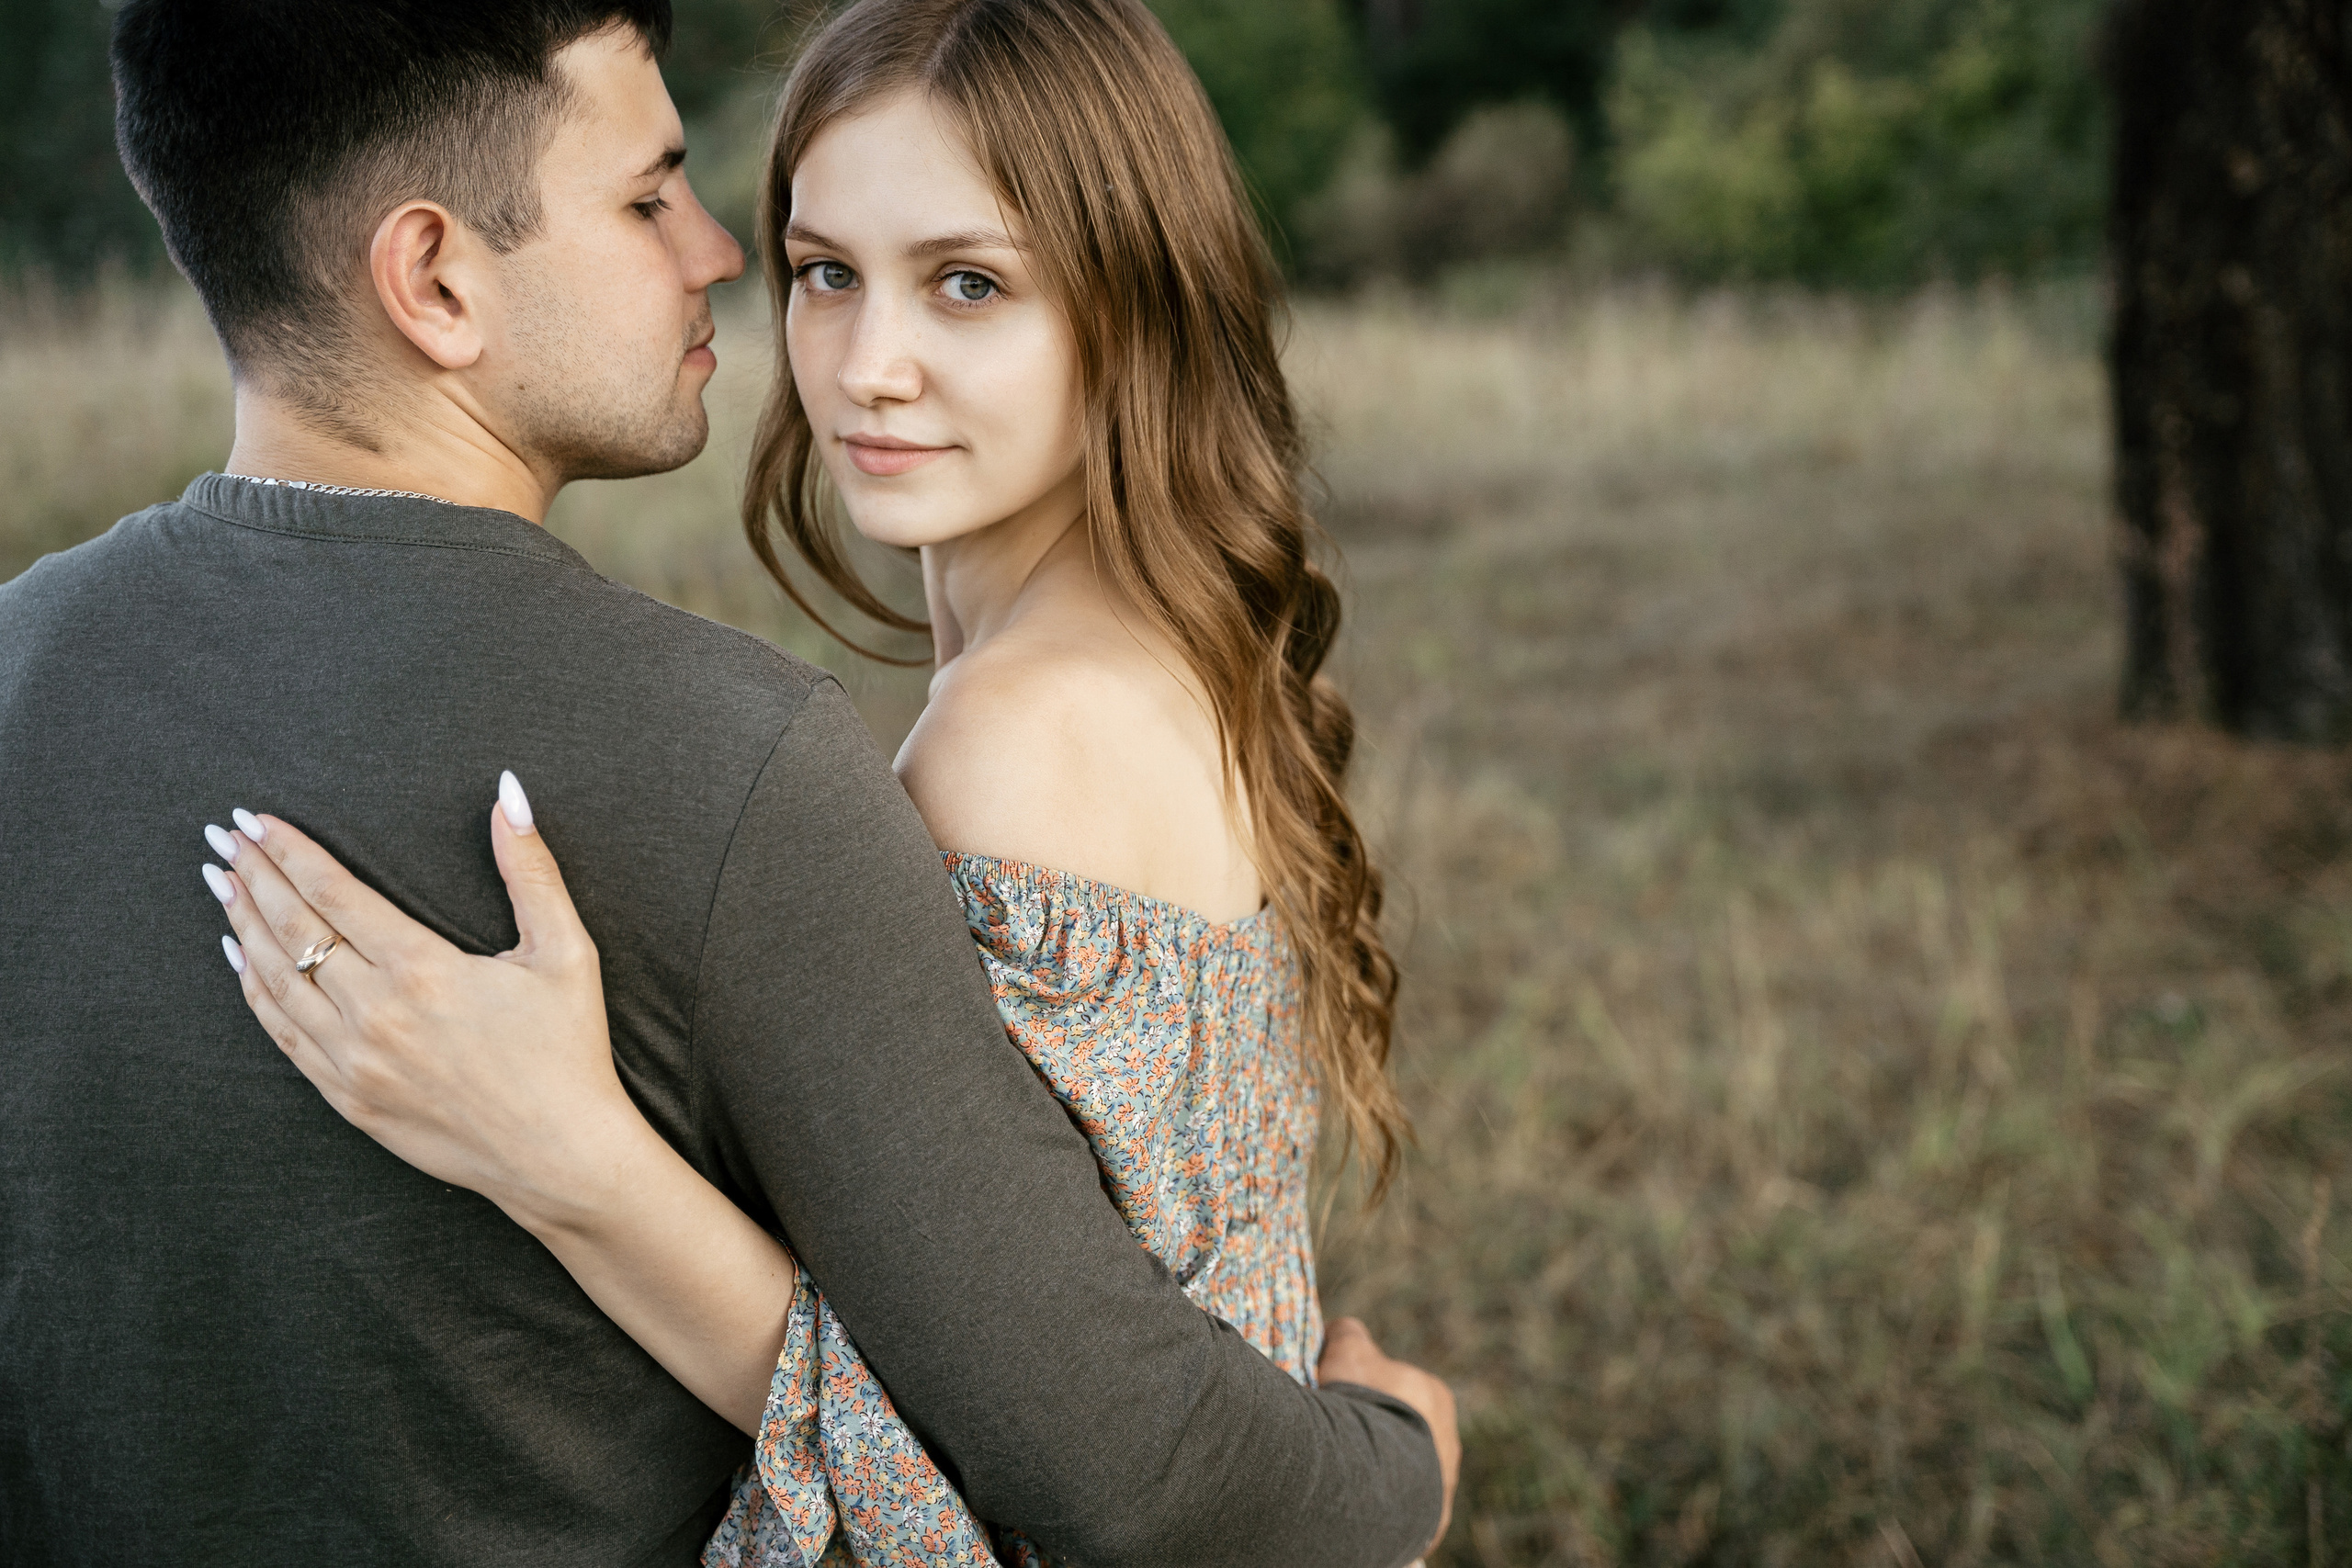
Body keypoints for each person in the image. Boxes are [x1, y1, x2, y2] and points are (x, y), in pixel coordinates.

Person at [0, 2, 1454, 1564]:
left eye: (967, 284)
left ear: (1139, 302)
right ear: (431, 276)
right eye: (816, 263)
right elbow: (1088, 1470)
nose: (727, 264)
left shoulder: (21, 663)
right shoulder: (759, 758)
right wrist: (1396, 1464)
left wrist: (582, 1165)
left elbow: (1078, 1455)